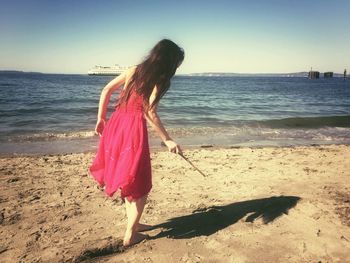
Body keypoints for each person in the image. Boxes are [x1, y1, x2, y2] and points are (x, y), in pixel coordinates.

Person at [88, 39, 185, 246]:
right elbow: (150, 111)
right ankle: (131, 234)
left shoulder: (134, 70)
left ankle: (135, 224)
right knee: (141, 183)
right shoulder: (160, 80)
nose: (177, 67)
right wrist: (167, 140)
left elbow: (106, 90)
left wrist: (101, 118)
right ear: (169, 61)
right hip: (132, 131)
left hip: (116, 125)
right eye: (177, 63)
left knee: (127, 178)